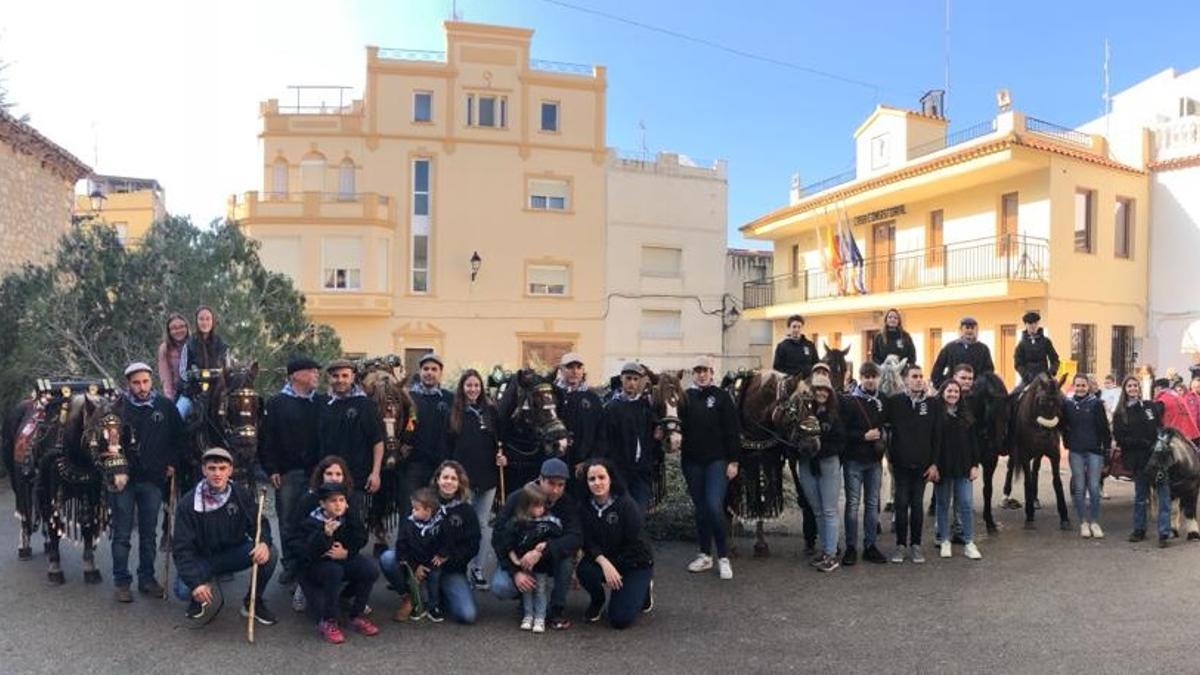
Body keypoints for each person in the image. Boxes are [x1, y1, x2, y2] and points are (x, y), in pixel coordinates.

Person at [172, 447, 277, 625]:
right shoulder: (188, 503)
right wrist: (195, 583)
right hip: (202, 558)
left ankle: (253, 602)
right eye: (212, 468)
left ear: (230, 470)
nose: (217, 473)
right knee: (184, 590)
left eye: (222, 468)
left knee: (271, 554)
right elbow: (182, 549)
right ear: (204, 470)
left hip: (233, 552)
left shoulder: (240, 493)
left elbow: (260, 523)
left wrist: (264, 543)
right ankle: (200, 592)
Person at [110, 361, 185, 602]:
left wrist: (172, 462)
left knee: (149, 533)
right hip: (123, 481)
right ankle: (122, 582)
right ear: (128, 384)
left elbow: (178, 438)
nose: (142, 387)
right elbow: (105, 446)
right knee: (121, 533)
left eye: (145, 381)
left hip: (153, 480)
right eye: (136, 383)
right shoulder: (117, 409)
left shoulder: (165, 406)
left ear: (151, 381)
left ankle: (147, 579)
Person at [490, 458, 581, 631]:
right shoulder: (519, 497)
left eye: (561, 485)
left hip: (548, 556)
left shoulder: (567, 502)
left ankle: (556, 610)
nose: (555, 490)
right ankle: (526, 602)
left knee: (566, 562)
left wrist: (543, 550)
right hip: (519, 558)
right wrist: (515, 571)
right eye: (551, 483)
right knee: (501, 587)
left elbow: (575, 536)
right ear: (540, 479)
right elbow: (498, 536)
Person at [261, 356, 327, 587]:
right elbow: (267, 438)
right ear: (295, 375)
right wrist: (272, 469)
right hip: (288, 473)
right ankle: (291, 566)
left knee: (316, 518)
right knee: (288, 520)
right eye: (311, 371)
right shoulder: (276, 403)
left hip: (318, 474)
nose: (316, 375)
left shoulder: (321, 402)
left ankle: (310, 564)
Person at [287, 481, 379, 643]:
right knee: (333, 572)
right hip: (314, 565)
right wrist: (325, 535)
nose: (338, 505)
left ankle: (356, 614)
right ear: (323, 504)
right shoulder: (311, 521)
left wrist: (347, 552)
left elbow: (361, 538)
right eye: (333, 501)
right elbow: (307, 551)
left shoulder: (347, 516)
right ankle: (329, 621)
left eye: (341, 500)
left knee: (369, 569)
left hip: (340, 559)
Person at [678, 355, 739, 579]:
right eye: (698, 370)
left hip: (717, 461)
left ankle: (723, 557)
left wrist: (733, 461)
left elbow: (732, 430)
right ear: (692, 374)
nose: (702, 374)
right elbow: (676, 425)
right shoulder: (685, 397)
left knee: (714, 507)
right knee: (701, 509)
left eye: (706, 370)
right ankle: (704, 555)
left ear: (712, 373)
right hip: (692, 461)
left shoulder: (722, 397)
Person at [577, 459, 654, 630]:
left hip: (635, 562)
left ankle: (644, 588)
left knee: (620, 620)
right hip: (607, 560)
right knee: (584, 570)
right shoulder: (583, 507)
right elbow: (586, 541)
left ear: (611, 478)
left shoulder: (626, 505)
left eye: (602, 477)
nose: (597, 483)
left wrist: (616, 565)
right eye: (592, 479)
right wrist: (604, 562)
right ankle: (597, 601)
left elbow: (637, 545)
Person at [446, 369, 502, 589]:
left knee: (482, 524)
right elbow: (448, 445)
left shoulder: (491, 411)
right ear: (462, 387)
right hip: (463, 479)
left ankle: (478, 569)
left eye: (476, 385)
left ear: (481, 388)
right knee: (463, 524)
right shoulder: (454, 412)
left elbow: (499, 440)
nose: (472, 389)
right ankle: (462, 566)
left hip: (488, 476)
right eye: (468, 385)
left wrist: (501, 456)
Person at [885, 364, 942, 563]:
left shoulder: (932, 403)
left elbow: (937, 436)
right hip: (900, 465)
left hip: (922, 466)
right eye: (914, 376)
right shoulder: (895, 402)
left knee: (917, 505)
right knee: (901, 504)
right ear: (905, 379)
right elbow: (884, 426)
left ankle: (916, 545)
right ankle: (900, 545)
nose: (918, 379)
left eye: (921, 376)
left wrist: (934, 464)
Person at [287, 455, 355, 612]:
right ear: (321, 476)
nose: (334, 478)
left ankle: (346, 595)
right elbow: (294, 535)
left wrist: (347, 552)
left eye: (338, 474)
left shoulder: (349, 499)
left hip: (339, 553)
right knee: (319, 607)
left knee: (366, 568)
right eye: (329, 474)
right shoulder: (308, 500)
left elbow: (359, 534)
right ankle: (303, 586)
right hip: (311, 555)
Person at [318, 359, 384, 516]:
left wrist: (375, 473)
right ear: (329, 378)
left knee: (355, 526)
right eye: (335, 376)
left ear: (353, 377)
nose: (340, 380)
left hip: (357, 478)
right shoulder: (322, 403)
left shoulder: (364, 404)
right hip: (328, 479)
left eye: (344, 375)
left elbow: (377, 442)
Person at [795, 372, 846, 573]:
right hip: (807, 464)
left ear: (830, 392)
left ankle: (832, 554)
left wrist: (818, 449)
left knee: (829, 510)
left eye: (825, 389)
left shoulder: (834, 414)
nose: (821, 393)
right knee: (816, 509)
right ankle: (825, 550)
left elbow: (840, 442)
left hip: (828, 463)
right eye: (818, 389)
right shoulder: (802, 414)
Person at [1112, 376, 1171, 547]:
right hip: (1139, 459)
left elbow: (1159, 426)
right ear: (1125, 389)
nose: (1133, 388)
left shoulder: (1150, 406)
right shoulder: (1121, 413)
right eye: (1129, 386)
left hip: (1158, 457)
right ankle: (1139, 530)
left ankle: (1164, 533)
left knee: (1164, 496)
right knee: (1140, 497)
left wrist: (1161, 440)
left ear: (1139, 387)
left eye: (1135, 385)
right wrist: (1140, 442)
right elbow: (1121, 438)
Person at [496, 485, 563, 633]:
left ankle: (540, 616)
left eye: (542, 505)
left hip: (542, 565)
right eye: (536, 506)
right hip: (523, 565)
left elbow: (558, 536)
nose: (540, 509)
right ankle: (528, 615)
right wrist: (514, 561)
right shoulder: (517, 523)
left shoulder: (548, 522)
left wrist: (545, 545)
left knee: (540, 589)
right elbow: (507, 543)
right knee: (526, 590)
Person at [841, 361, 888, 565]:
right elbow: (842, 432)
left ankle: (870, 545)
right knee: (852, 505)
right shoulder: (849, 401)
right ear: (860, 378)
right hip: (854, 461)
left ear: (878, 378)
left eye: (873, 376)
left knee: (871, 505)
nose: (870, 380)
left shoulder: (883, 400)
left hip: (875, 462)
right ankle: (851, 547)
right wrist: (863, 436)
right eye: (866, 376)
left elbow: (888, 425)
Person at [427, 460, 482, 624]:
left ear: (459, 483)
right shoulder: (424, 502)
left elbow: (473, 545)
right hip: (423, 565)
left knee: (468, 615)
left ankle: (442, 593)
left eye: (453, 478)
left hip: (452, 569)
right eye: (445, 477)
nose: (449, 482)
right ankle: (412, 596)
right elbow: (409, 534)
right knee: (388, 559)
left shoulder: (467, 510)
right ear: (437, 479)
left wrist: (448, 557)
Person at [602, 362, 661, 512]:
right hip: (619, 472)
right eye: (628, 378)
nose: (632, 383)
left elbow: (655, 435)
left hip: (642, 472)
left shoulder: (646, 407)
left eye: (636, 379)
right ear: (621, 379)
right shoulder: (612, 408)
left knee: (639, 514)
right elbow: (605, 441)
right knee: (622, 512)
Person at [933, 380, 982, 560]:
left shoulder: (966, 415)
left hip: (963, 467)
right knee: (943, 505)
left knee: (966, 504)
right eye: (949, 391)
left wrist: (975, 465)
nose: (953, 394)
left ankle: (969, 542)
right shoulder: (935, 414)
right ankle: (944, 540)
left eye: (956, 391)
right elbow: (932, 442)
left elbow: (974, 442)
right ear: (942, 392)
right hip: (943, 467)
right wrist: (933, 465)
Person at [1060, 373, 1112, 539]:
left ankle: (1095, 522)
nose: (1081, 388)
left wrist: (1106, 450)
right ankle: (1083, 522)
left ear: (1088, 387)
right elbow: (1063, 426)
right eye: (1078, 385)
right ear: (1073, 387)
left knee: (1094, 488)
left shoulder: (1096, 404)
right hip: (1076, 451)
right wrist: (1067, 443)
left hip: (1094, 451)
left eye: (1083, 385)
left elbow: (1104, 428)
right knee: (1079, 488)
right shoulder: (1067, 404)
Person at [381, 488, 443, 621]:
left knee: (434, 578)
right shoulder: (409, 524)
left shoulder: (439, 525)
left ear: (428, 511)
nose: (412, 511)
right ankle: (414, 600)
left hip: (432, 562)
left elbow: (443, 543)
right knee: (412, 580)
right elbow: (402, 545)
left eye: (416, 509)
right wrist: (413, 565)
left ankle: (434, 606)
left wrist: (440, 556)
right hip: (413, 561)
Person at [553, 352, 605, 496]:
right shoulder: (551, 395)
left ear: (583, 371)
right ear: (561, 370)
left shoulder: (592, 398)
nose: (575, 371)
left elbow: (601, 434)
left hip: (582, 466)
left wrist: (589, 462)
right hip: (554, 464)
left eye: (578, 367)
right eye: (570, 367)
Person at [407, 353, 454, 509]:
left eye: (434, 369)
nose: (429, 372)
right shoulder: (409, 397)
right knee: (411, 509)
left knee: (439, 510)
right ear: (420, 372)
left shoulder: (450, 399)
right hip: (413, 465)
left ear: (440, 373)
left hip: (441, 464)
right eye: (426, 369)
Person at [175, 306, 230, 419]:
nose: (205, 322)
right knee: (176, 416)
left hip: (218, 393)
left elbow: (228, 369)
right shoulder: (189, 344)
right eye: (201, 319)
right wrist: (196, 375)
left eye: (208, 319)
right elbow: (182, 372)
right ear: (196, 321)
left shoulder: (222, 345)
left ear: (213, 321)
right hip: (193, 393)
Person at [931, 317, 994, 388]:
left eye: (973, 328)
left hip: (975, 391)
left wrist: (981, 387)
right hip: (954, 390)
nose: (970, 330)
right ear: (960, 330)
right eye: (967, 328)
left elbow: (988, 372)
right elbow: (937, 369)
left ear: (977, 330)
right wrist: (943, 386)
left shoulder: (983, 349)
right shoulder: (950, 347)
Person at [1012, 311, 1060, 395]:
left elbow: (1055, 359)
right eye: (1030, 323)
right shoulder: (1021, 344)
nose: (1033, 326)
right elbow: (1018, 364)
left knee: (1062, 397)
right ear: (1026, 325)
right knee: (1013, 395)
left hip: (1044, 376)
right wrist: (1026, 375)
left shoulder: (1046, 341)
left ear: (1038, 324)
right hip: (1027, 379)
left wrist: (1050, 372)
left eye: (1035, 323)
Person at [1153, 377, 1200, 444]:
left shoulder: (1161, 400)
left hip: (1178, 438)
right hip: (1193, 434)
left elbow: (1155, 421)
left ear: (1158, 388)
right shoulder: (1177, 396)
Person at [156, 313, 189, 401]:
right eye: (174, 328)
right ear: (169, 331)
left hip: (200, 392)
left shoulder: (194, 344)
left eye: (182, 326)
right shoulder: (165, 349)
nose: (178, 330)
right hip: (180, 394)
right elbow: (166, 377)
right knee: (180, 413)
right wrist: (170, 400)